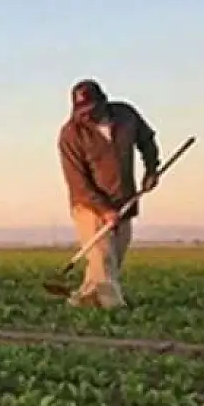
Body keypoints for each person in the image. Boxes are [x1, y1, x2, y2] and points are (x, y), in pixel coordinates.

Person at [57, 79, 160, 308]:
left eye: (90, 110)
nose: (86, 116)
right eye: (80, 111)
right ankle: (114, 306)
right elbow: (77, 181)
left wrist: (152, 170)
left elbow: (147, 140)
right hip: (88, 205)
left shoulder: (126, 115)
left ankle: (83, 299)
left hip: (124, 200)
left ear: (103, 102)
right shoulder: (70, 134)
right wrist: (104, 210)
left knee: (111, 260)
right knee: (102, 257)